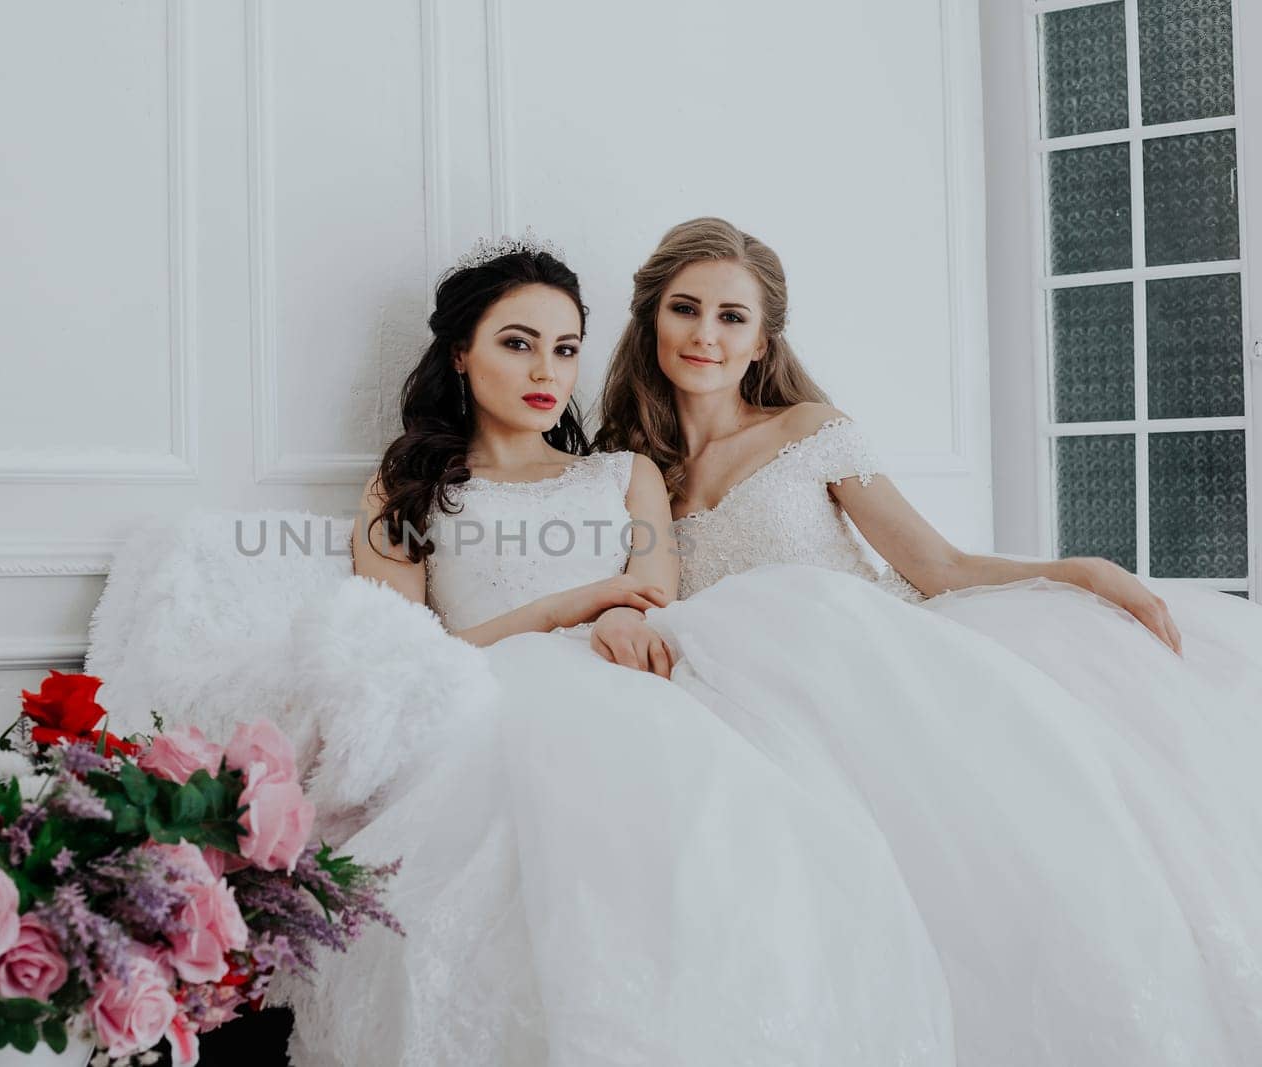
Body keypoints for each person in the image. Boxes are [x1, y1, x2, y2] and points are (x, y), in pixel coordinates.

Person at [597, 216, 1262, 1063]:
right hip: (738, 697)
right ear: (652, 317)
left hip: (862, 664)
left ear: (762, 340)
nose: (705, 334)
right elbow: (624, 588)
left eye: (732, 317)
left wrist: (1080, 571)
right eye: (685, 309)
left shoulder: (809, 430)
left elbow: (936, 562)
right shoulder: (626, 465)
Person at [285, 236, 954, 1066]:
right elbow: (402, 656)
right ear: (461, 353)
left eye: (565, 349)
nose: (546, 372)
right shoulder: (410, 484)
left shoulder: (624, 473)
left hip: (631, 689)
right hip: (484, 700)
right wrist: (571, 604)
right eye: (517, 343)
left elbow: (654, 596)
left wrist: (623, 618)